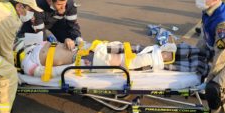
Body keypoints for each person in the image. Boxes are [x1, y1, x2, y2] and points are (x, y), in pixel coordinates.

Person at [14, 40, 178, 78]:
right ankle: (160, 57)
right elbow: (51, 73)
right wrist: (75, 68)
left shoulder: (36, 44)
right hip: (80, 61)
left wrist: (68, 41)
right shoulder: (28, 65)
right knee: (122, 62)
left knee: (123, 48)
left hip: (84, 47)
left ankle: (155, 51)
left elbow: (57, 43)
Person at [18, 0, 82, 50]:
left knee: (71, 42)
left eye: (64, 3)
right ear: (49, 1)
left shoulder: (70, 3)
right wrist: (47, 45)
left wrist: (77, 38)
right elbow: (40, 34)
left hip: (56, 22)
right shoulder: (37, 6)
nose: (63, 7)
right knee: (29, 44)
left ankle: (52, 40)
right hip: (36, 22)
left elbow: (73, 25)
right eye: (59, 4)